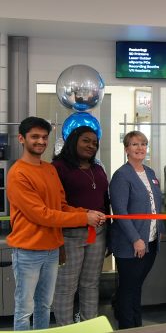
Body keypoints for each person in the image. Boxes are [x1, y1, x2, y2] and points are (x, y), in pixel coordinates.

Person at [6, 116, 104, 331]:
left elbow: (60, 206)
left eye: (44, 137)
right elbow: (42, 215)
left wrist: (86, 212)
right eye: (35, 137)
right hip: (28, 252)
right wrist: (83, 218)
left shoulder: (49, 169)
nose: (40, 141)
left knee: (44, 305)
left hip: (51, 249)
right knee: (24, 309)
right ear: (22, 138)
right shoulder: (17, 173)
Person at [51, 126, 110, 326]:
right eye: (86, 140)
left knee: (91, 285)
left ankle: (89, 325)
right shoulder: (58, 167)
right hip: (70, 235)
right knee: (66, 287)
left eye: (94, 143)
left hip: (98, 234)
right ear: (74, 140)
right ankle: (65, 329)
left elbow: (104, 200)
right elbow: (56, 206)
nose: (91, 146)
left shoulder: (98, 169)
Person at [109, 130, 165, 329]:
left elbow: (156, 204)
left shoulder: (149, 173)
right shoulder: (121, 176)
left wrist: (160, 229)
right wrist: (136, 239)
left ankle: (136, 324)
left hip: (150, 241)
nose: (140, 148)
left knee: (136, 287)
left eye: (143, 144)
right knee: (128, 288)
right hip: (131, 244)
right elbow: (120, 212)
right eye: (134, 144)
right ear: (126, 149)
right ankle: (127, 325)